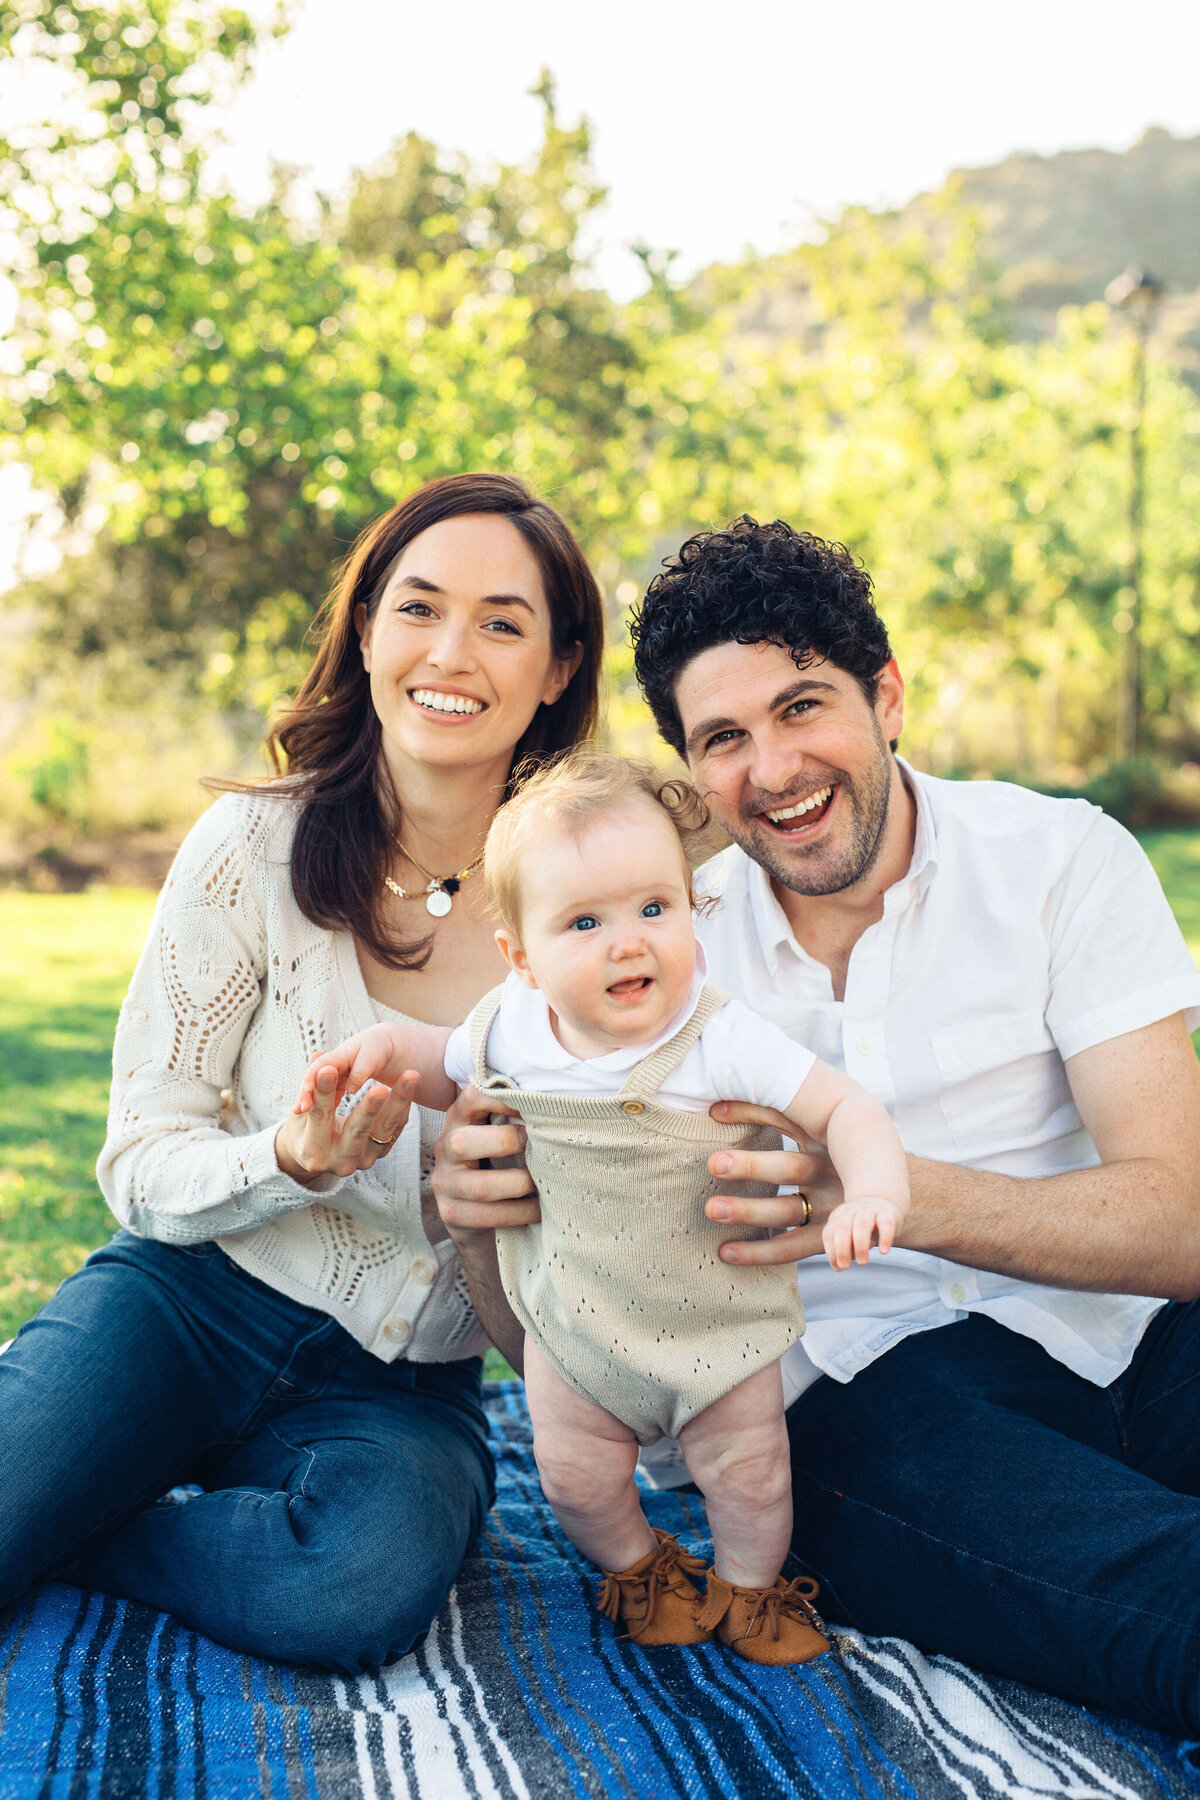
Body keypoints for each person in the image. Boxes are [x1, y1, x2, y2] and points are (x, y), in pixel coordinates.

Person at [433, 515, 1200, 1738]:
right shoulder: (643, 949)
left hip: (1139, 1329)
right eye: (724, 738)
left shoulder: (1060, 860)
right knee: (1168, 1608)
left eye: (803, 707)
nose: (775, 768)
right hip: (865, 1391)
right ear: (691, 768)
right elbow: (558, 1324)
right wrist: (474, 1221)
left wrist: (887, 1196)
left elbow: (1183, 1226)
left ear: (886, 696)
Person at [0, 472, 604, 1672]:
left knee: (352, 1591)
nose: (452, 652)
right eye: (419, 608)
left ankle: (97, 1523)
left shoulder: (596, 909)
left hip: (401, 1388)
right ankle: (67, 1479)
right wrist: (286, 1157)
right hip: (183, 1305)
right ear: (369, 632)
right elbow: (139, 1158)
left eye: (502, 622)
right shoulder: (251, 850)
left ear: (559, 669)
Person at [294, 751, 909, 1663]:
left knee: (749, 1473)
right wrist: (388, 1047)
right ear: (522, 959)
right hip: (577, 1332)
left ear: (691, 917)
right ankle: (640, 1567)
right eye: (584, 921)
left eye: (655, 908)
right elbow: (441, 1061)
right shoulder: (509, 1026)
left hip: (716, 1324)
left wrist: (876, 1190)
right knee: (576, 1479)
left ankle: (749, 1588)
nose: (630, 941)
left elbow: (844, 1107)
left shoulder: (718, 1036)